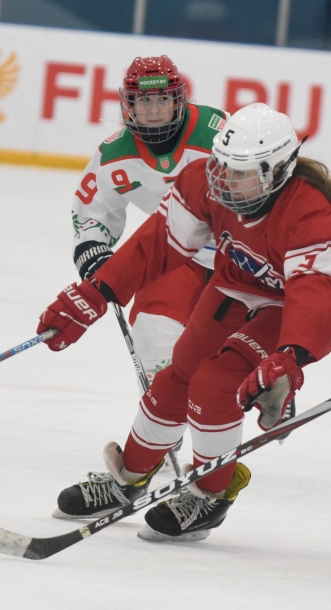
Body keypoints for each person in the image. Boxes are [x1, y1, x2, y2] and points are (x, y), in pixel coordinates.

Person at [37, 103, 331, 542]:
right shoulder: (205, 182)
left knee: (215, 383)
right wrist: (95, 292)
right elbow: (158, 242)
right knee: (177, 377)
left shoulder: (312, 219)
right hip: (235, 285)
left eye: (241, 172)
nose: (224, 179)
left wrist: (289, 356)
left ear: (277, 171)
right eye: (222, 164)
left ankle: (210, 496)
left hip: (289, 305)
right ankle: (128, 479)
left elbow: (320, 297)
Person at [71, 55, 226, 374]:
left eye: (162, 100)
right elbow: (94, 211)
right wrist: (92, 249)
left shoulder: (219, 133)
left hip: (241, 256)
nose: (153, 110)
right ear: (128, 105)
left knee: (235, 346)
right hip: (176, 255)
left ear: (178, 101)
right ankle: (166, 392)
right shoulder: (113, 155)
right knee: (152, 330)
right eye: (144, 101)